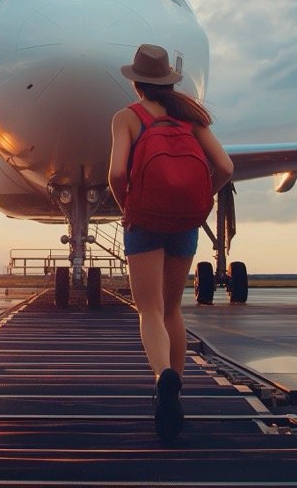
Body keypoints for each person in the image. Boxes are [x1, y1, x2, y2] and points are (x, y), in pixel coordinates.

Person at [108, 43, 233, 439]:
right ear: (168, 79)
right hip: (185, 222)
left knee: (148, 310)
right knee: (173, 309)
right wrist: (204, 198)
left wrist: (128, 206)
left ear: (137, 82)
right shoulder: (190, 116)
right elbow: (226, 167)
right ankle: (176, 387)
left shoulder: (127, 118)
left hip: (144, 219)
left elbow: (115, 174)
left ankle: (162, 377)